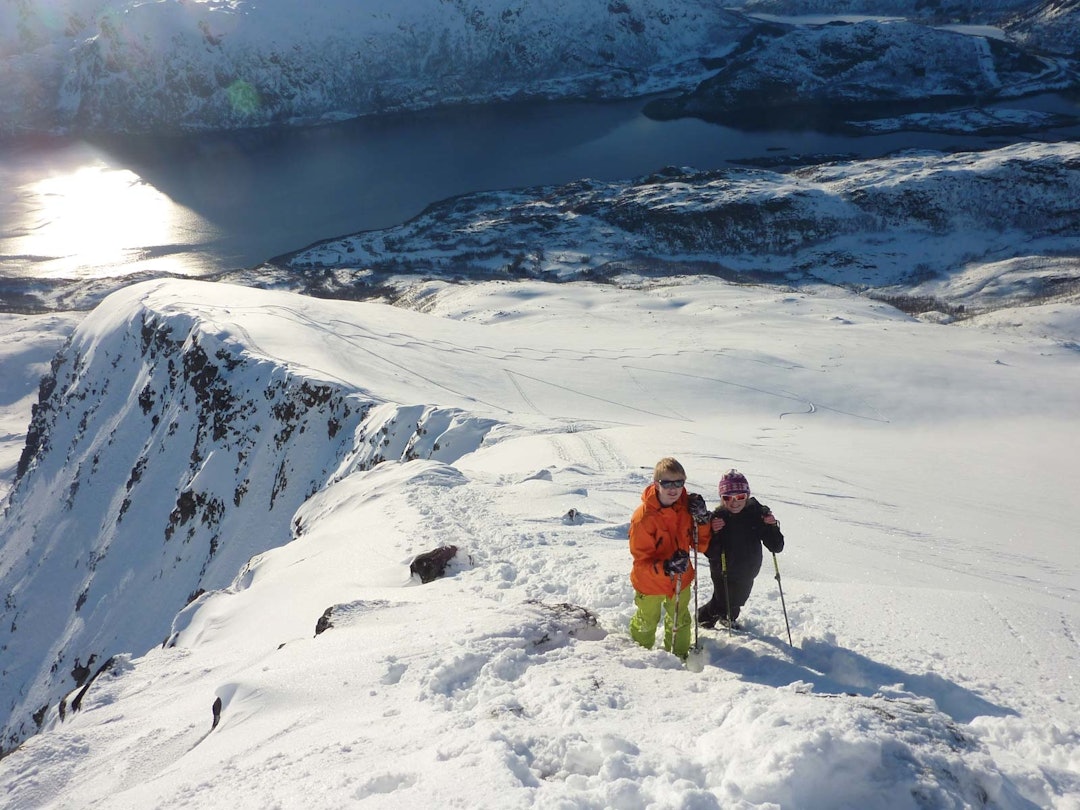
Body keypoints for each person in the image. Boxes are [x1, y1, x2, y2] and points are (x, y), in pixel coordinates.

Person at [628, 457, 712, 659]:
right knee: (648, 619)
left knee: (680, 619)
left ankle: (679, 655)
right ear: (656, 484)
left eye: (678, 483)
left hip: (681, 578)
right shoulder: (643, 518)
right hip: (650, 582)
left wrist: (701, 519)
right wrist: (666, 567)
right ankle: (639, 654)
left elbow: (701, 544)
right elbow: (640, 561)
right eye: (667, 483)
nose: (673, 489)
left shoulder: (687, 508)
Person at [698, 469, 784, 630]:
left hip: (748, 569)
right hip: (722, 569)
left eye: (740, 497)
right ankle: (704, 617)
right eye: (727, 498)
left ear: (747, 495)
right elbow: (710, 552)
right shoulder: (717, 517)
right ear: (721, 498)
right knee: (722, 601)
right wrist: (714, 531)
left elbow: (775, 546)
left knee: (739, 599)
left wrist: (771, 527)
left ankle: (728, 617)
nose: (734, 502)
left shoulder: (756, 515)